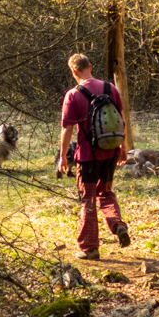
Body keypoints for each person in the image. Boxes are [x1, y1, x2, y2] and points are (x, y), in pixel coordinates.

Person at [57, 53, 130, 260]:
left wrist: (63, 156)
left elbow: (67, 129)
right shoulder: (111, 89)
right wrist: (123, 146)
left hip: (88, 156)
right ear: (90, 66)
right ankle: (118, 226)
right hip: (110, 152)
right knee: (105, 192)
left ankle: (90, 248)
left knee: (88, 199)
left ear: (74, 71)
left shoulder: (73, 95)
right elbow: (121, 120)